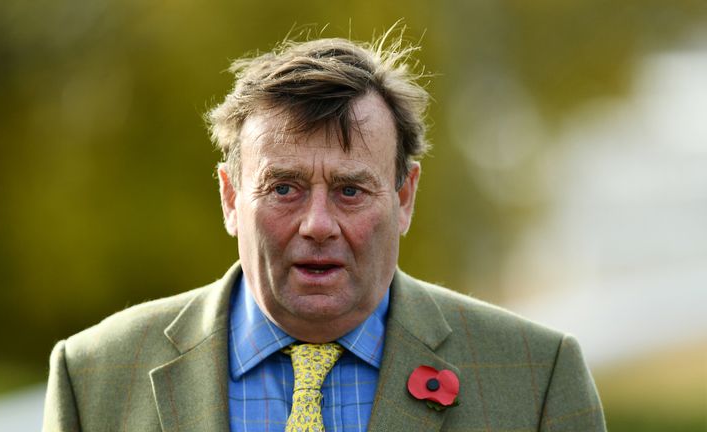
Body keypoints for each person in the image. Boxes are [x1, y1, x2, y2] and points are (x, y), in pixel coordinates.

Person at [42, 31, 606, 432]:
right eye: (284, 188)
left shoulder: (536, 379)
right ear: (231, 197)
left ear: (404, 197)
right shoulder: (93, 379)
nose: (317, 225)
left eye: (350, 191)